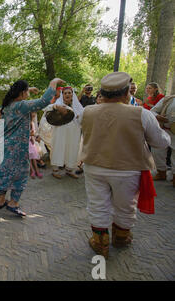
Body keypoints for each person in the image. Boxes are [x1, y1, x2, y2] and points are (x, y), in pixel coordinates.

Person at [78, 72, 170, 258]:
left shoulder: (88, 111)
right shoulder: (142, 114)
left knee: (98, 204)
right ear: (127, 92)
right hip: (128, 169)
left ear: (102, 93)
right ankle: (120, 238)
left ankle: (100, 241)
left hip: (94, 166)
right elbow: (160, 143)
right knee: (126, 205)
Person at [0, 78, 64, 217]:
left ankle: (1, 200)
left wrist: (29, 90)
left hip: (5, 145)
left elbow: (22, 98)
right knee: (22, 173)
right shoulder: (22, 106)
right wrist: (53, 83)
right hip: (17, 147)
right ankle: (13, 203)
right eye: (27, 91)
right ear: (22, 93)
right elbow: (43, 102)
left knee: (4, 171)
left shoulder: (8, 105)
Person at [46, 87, 83, 179]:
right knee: (58, 148)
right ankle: (55, 170)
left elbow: (83, 117)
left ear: (72, 94)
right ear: (62, 95)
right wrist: (56, 107)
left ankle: (69, 170)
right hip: (60, 132)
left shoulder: (77, 106)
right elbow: (48, 109)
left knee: (72, 149)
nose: (67, 95)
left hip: (74, 132)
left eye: (69, 93)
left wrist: (79, 117)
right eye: (65, 93)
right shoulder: (58, 104)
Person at [150, 95, 174, 186]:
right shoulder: (168, 99)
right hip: (164, 131)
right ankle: (161, 173)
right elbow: (152, 111)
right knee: (157, 151)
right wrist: (158, 117)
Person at [29, 112, 42, 179]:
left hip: (30, 141)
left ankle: (37, 170)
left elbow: (33, 133)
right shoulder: (24, 124)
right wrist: (30, 135)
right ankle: (32, 171)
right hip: (25, 142)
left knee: (33, 156)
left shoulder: (32, 123)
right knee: (29, 157)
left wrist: (35, 137)